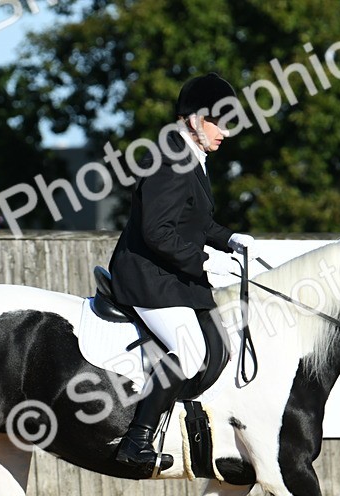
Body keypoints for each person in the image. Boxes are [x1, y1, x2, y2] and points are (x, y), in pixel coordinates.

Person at [109, 72, 255, 473]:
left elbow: (198, 224)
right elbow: (157, 231)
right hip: (148, 277)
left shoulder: (190, 155)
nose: (224, 131)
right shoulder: (169, 157)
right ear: (192, 119)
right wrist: (205, 261)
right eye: (217, 122)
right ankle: (136, 441)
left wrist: (230, 240)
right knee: (190, 353)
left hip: (173, 275)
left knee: (218, 345)